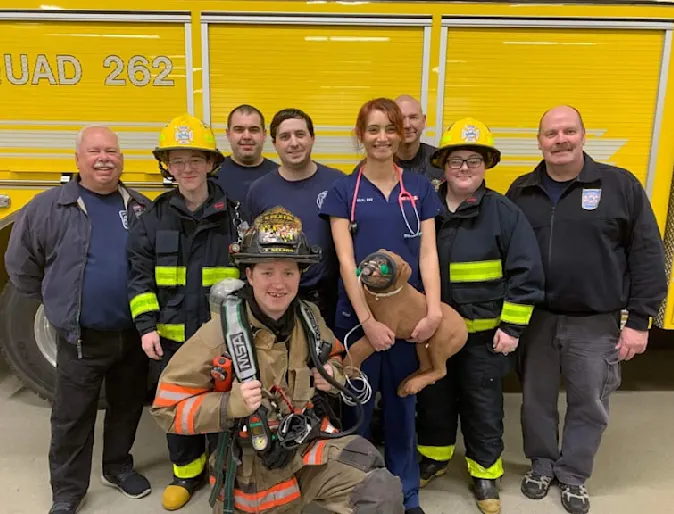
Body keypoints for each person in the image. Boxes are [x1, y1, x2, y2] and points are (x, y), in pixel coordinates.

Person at [150, 206, 405, 514]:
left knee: (379, 488)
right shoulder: (219, 334)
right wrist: (228, 405)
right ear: (249, 274)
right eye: (267, 272)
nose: (278, 284)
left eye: (288, 272)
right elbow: (167, 408)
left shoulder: (309, 318)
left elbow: (337, 357)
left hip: (308, 448)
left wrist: (332, 374)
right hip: (252, 472)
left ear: (300, 275)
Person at [506, 105, 667, 514]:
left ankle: (574, 474)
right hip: (537, 320)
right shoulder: (521, 191)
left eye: (568, 131)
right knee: (536, 400)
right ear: (539, 141)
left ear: (583, 135)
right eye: (551, 133)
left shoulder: (619, 186)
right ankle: (542, 464)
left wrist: (641, 321)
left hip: (596, 322)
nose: (560, 140)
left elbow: (647, 254)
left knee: (590, 402)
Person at [4, 126, 152, 514]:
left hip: (133, 335)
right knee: (72, 418)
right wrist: (58, 304)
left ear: (121, 159)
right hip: (81, 338)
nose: (105, 158)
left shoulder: (139, 207)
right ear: (78, 159)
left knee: (127, 406)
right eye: (95, 151)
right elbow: (21, 268)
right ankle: (67, 492)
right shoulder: (47, 207)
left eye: (112, 151)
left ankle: (118, 467)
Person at [320, 97, 444, 514]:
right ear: (361, 135)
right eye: (373, 129)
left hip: (409, 322)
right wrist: (368, 321)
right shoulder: (344, 192)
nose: (382, 137)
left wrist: (434, 312)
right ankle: (357, 493)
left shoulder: (420, 188)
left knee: (403, 409)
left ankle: (407, 496)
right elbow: (346, 262)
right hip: (358, 322)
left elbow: (428, 254)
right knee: (356, 408)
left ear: (401, 133)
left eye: (390, 128)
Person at [415, 118, 545, 514]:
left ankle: (485, 473)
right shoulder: (426, 210)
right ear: (442, 166)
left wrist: (511, 328)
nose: (465, 168)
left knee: (482, 407)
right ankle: (434, 458)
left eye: (474, 159)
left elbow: (526, 273)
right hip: (434, 336)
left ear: (486, 164)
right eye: (456, 160)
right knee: (434, 400)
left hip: (484, 340)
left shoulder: (504, 212)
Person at [127, 114, 242, 510]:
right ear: (167, 167)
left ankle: (220, 471)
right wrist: (146, 327)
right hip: (173, 339)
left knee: (224, 410)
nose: (186, 168)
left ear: (211, 163)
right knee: (177, 410)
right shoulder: (154, 218)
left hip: (221, 340)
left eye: (195, 159)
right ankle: (186, 474)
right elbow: (139, 277)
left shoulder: (236, 216)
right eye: (177, 161)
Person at [245, 108, 344, 329]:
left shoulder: (337, 183)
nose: (294, 143)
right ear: (274, 143)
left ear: (312, 138)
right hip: (279, 301)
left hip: (329, 300)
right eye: (285, 136)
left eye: (300, 134)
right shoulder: (259, 190)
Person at [213, 104, 277, 216]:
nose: (247, 136)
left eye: (254, 130)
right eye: (239, 130)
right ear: (228, 134)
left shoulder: (280, 176)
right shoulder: (212, 177)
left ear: (264, 135)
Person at [395, 94, 444, 188]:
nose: (407, 125)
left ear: (423, 121)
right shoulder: (374, 165)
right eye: (400, 119)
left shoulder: (441, 161)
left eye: (413, 117)